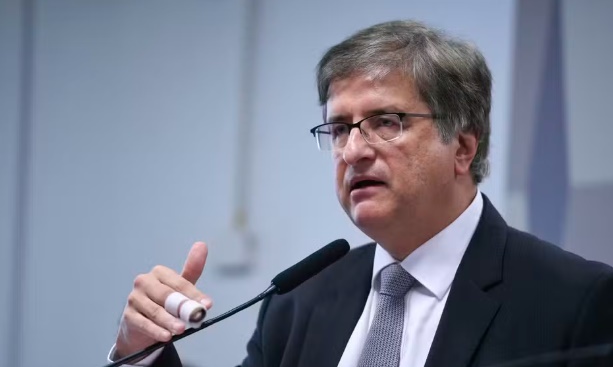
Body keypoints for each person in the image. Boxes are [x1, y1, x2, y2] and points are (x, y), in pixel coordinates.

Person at [109, 20, 613, 367]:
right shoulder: (296, 304)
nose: (352, 151)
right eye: (339, 129)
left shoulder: (574, 301)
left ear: (462, 147)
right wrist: (142, 352)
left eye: (385, 122)